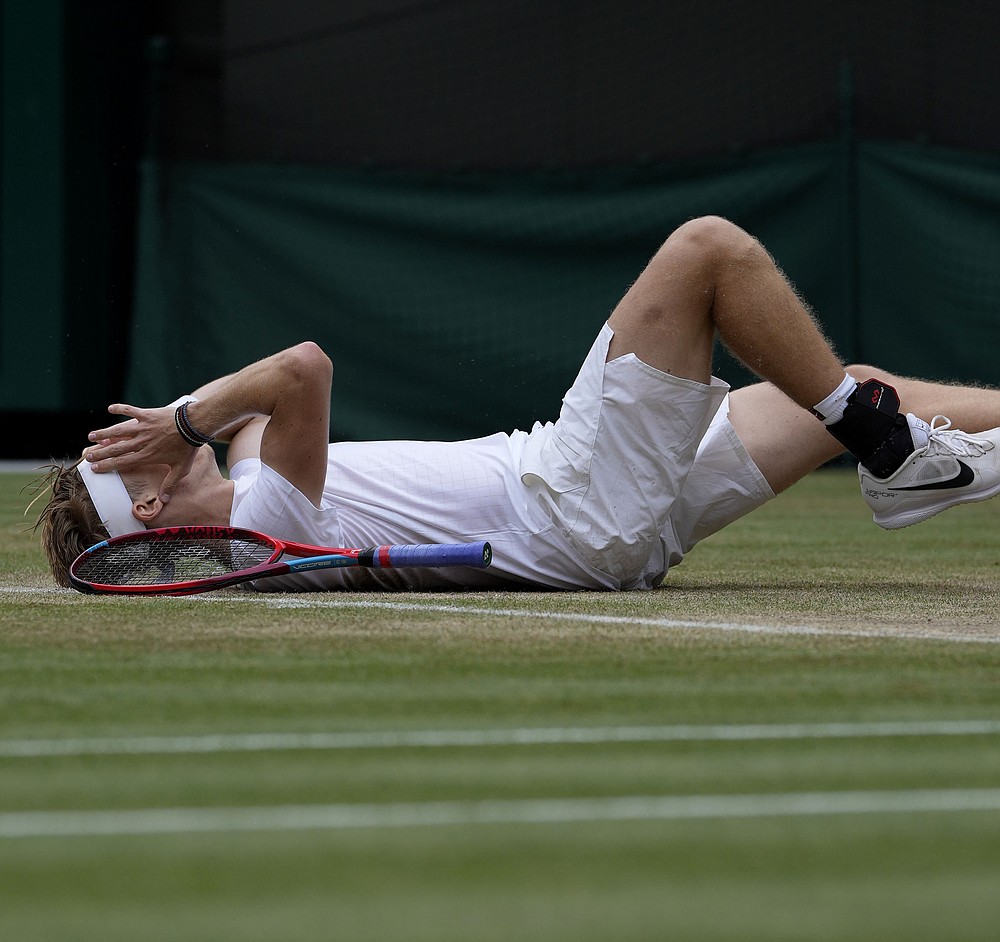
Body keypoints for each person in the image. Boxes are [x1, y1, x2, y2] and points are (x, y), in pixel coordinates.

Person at [35, 216, 1000, 591]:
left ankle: (888, 443)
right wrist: (186, 424)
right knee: (706, 250)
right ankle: (891, 450)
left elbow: (248, 416)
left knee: (828, 390)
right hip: (571, 500)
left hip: (602, 518)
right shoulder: (260, 526)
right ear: (150, 506)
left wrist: (187, 427)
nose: (155, 428)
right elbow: (301, 369)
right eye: (134, 449)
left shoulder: (251, 495)